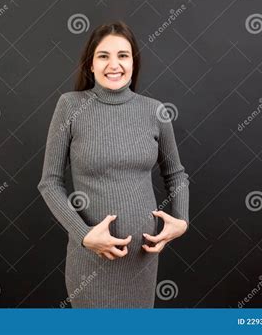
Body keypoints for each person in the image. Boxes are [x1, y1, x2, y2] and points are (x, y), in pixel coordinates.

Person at [37, 20, 190, 308]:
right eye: (103, 56)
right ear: (91, 65)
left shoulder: (154, 111)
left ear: (133, 63)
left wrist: (181, 220)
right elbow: (50, 182)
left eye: (123, 55)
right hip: (90, 264)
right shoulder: (71, 106)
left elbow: (176, 174)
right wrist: (85, 236)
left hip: (143, 262)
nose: (114, 64)